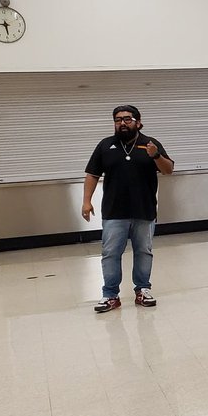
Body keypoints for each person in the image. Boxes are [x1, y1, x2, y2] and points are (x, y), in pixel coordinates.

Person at [82, 105, 174, 312]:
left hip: (144, 210)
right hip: (114, 211)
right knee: (110, 253)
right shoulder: (105, 146)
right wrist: (86, 201)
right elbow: (92, 174)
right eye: (118, 120)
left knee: (143, 251)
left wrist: (156, 155)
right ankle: (110, 295)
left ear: (138, 122)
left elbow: (168, 170)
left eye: (127, 119)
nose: (122, 123)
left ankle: (143, 290)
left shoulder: (150, 144)